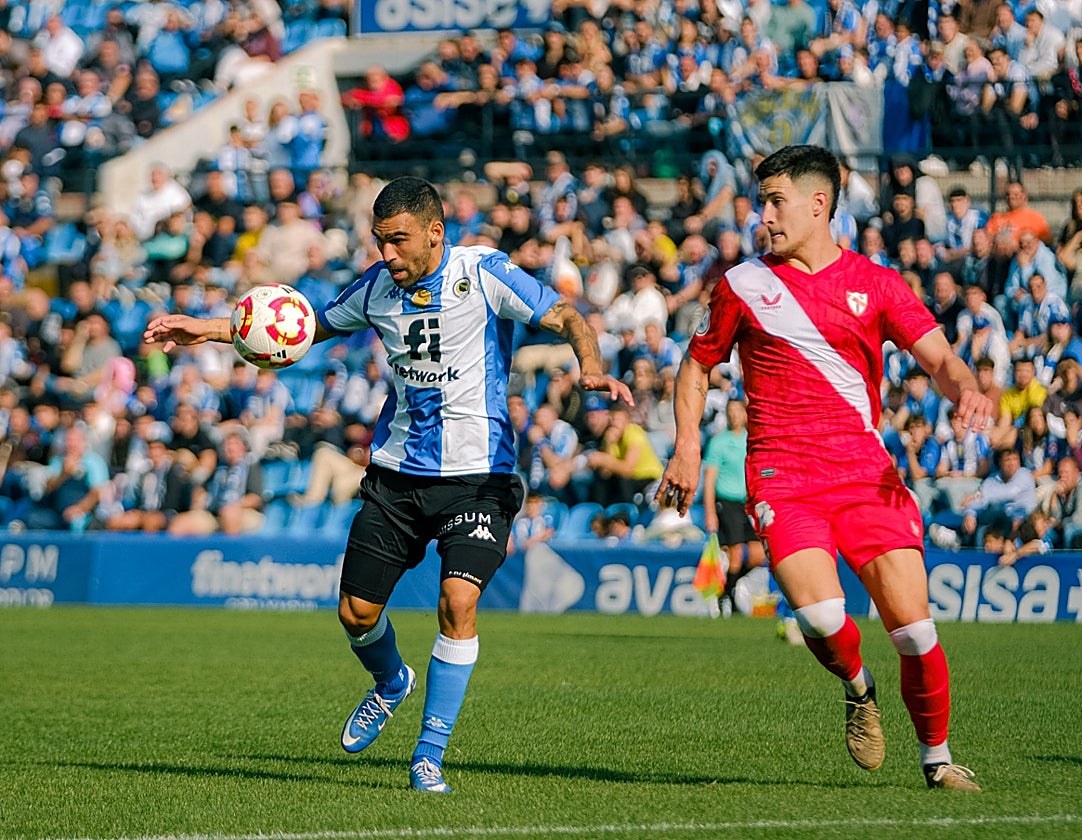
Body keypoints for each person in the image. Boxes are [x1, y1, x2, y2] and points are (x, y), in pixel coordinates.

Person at [144, 176, 632, 794]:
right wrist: (210, 330)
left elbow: (565, 314)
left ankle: (428, 756)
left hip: (478, 479)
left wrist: (589, 365)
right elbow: (306, 327)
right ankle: (390, 681)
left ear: (436, 231)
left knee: (457, 602)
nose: (389, 255)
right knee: (355, 612)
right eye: (380, 242)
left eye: (399, 241)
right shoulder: (377, 288)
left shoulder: (483, 273)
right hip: (397, 476)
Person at [656, 145, 989, 792]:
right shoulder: (743, 285)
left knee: (916, 630)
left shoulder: (881, 283)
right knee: (819, 617)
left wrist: (967, 390)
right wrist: (688, 444)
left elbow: (943, 361)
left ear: (819, 204)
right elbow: (697, 364)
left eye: (776, 201)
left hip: (867, 475)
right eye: (761, 201)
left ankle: (938, 759)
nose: (764, 215)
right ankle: (859, 689)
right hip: (785, 475)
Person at [702, 398, 765, 617]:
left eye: (738, 411)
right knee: (735, 552)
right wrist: (710, 510)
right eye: (730, 411)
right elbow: (710, 477)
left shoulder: (752, 440)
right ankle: (729, 598)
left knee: (758, 554)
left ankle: (729, 588)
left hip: (748, 503)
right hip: (727, 501)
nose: (734, 415)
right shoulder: (719, 442)